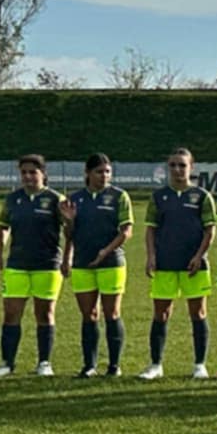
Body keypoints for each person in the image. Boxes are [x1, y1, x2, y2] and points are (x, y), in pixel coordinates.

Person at [141, 148, 216, 380]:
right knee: (160, 314)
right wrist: (151, 256)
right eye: (172, 165)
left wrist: (199, 255)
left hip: (193, 265)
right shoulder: (158, 196)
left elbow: (209, 230)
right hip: (165, 263)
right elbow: (151, 229)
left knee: (198, 313)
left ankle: (199, 365)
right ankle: (156, 365)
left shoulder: (202, 196)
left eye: (182, 165)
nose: (177, 170)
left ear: (191, 167)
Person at [0, 154, 63, 377]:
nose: (28, 176)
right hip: (17, 264)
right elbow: (3, 227)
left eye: (33, 172)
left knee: (45, 313)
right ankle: (7, 363)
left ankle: (44, 363)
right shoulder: (13, 199)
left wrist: (68, 254)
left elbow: (70, 232)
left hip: (47, 264)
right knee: (11, 313)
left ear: (43, 174)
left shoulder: (55, 199)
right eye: (24, 172)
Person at [63, 153, 134, 379]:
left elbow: (126, 232)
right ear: (87, 173)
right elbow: (69, 235)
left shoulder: (119, 196)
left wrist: (106, 251)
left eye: (107, 171)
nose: (104, 176)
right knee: (88, 314)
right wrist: (69, 221)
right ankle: (89, 365)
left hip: (112, 263)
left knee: (111, 312)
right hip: (83, 263)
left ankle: (114, 366)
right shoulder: (75, 198)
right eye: (99, 171)